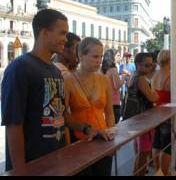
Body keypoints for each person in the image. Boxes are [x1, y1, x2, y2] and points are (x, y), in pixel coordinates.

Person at [0, 9, 97, 172]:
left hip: (55, 162)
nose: (65, 39)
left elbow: (60, 115)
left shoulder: (55, 71)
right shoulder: (19, 69)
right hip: (33, 166)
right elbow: (13, 125)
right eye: (62, 34)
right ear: (45, 33)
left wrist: (88, 129)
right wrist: (20, 171)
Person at [64, 37, 116, 176]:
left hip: (103, 138)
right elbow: (64, 116)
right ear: (81, 56)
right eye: (94, 56)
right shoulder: (68, 80)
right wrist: (67, 147)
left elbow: (109, 112)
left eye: (100, 56)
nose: (99, 60)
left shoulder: (104, 80)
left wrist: (112, 137)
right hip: (79, 141)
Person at [126, 53, 158, 176]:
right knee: (143, 152)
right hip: (144, 120)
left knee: (140, 151)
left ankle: (138, 172)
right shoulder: (140, 79)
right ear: (138, 64)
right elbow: (153, 97)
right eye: (147, 65)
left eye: (152, 65)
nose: (150, 67)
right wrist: (155, 92)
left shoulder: (133, 76)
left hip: (136, 119)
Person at [53, 31, 81, 145]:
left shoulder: (66, 71)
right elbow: (64, 112)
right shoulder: (63, 74)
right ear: (64, 49)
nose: (79, 55)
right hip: (71, 133)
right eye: (77, 50)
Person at [101, 49, 126, 124]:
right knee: (113, 126)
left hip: (104, 101)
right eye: (118, 55)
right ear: (112, 57)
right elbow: (117, 86)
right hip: (114, 102)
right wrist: (123, 78)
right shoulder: (113, 70)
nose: (119, 57)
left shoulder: (102, 70)